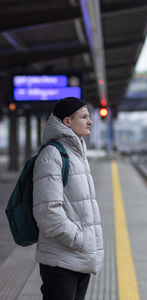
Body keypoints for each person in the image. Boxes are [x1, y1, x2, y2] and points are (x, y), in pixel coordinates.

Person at [33, 97, 104, 300]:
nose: (90, 121)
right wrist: (78, 239)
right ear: (67, 121)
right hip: (62, 262)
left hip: (79, 258)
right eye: (84, 117)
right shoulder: (53, 155)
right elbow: (47, 210)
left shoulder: (77, 154)